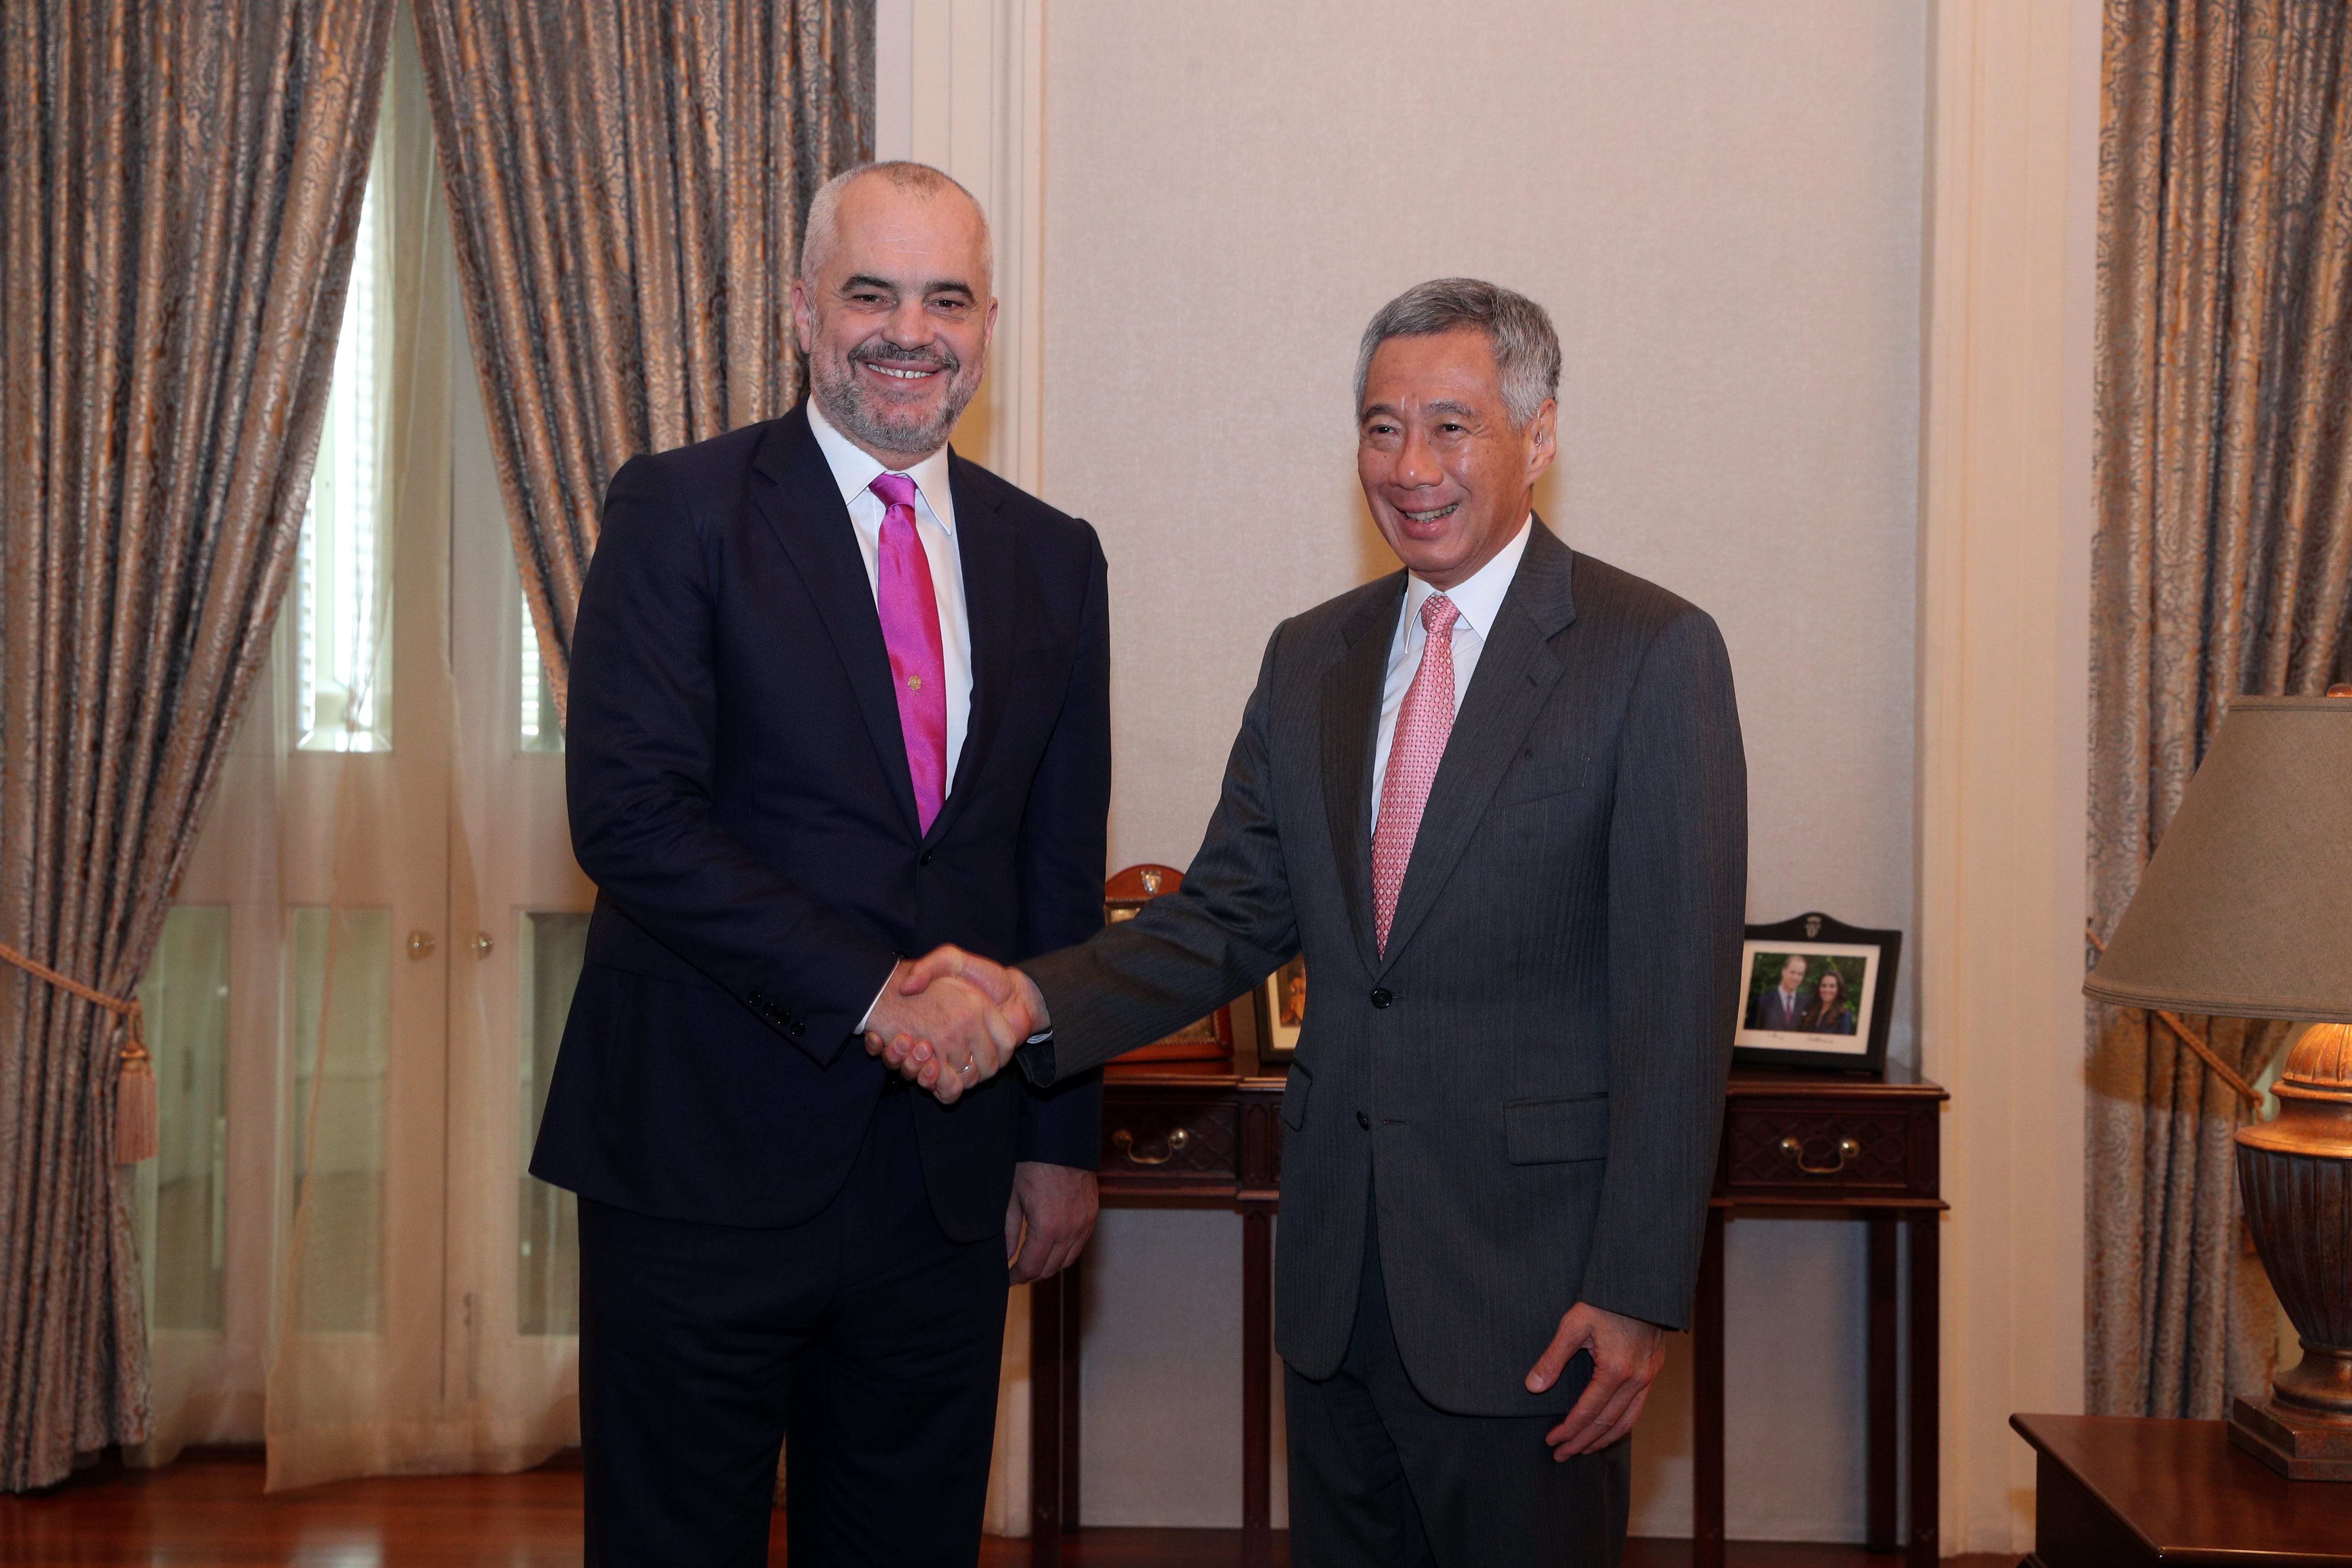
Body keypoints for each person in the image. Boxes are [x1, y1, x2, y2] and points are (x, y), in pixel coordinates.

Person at [873, 279, 1747, 1566]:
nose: (1410, 467)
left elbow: (1679, 1008)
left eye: (1450, 427)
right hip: (1336, 1283)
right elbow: (1225, 915)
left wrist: (1638, 1288)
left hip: (1536, 1291)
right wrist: (1027, 1001)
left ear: (1539, 436)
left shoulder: (1651, 651)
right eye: (1381, 428)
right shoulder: (1311, 658)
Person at [531, 160, 1109, 1567]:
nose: (909, 332)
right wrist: (874, 991)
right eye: (871, 294)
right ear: (802, 310)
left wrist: (1056, 1136)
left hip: (946, 1178)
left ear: (986, 324)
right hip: (701, 1156)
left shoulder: (1055, 556)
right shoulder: (681, 507)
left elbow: (1056, 865)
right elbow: (631, 815)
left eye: (946, 300)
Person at [1747, 953, 1810, 1032]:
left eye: (1800, 974)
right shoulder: (1762, 1003)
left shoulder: (1808, 1003)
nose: (1796, 978)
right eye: (1792, 972)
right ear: (1784, 972)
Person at [1806, 966, 1857, 1034]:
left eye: (1832, 986)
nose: (1827, 990)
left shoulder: (1844, 1017)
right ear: (1819, 988)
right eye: (1824, 986)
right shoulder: (1811, 1011)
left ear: (1839, 990)